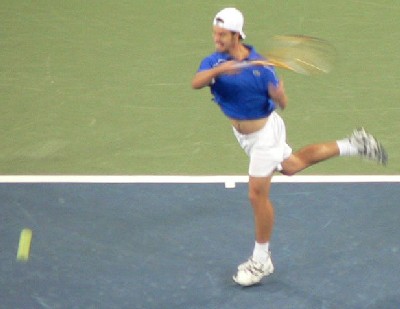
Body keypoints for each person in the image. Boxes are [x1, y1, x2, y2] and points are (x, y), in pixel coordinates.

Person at [191, 7, 388, 287]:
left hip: (265, 136)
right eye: (215, 33)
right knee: (291, 165)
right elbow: (196, 83)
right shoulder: (213, 61)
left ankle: (261, 259)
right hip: (245, 136)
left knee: (256, 195)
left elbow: (282, 104)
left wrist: (279, 93)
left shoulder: (263, 69)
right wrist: (220, 69)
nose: (216, 39)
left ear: (236, 35)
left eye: (222, 34)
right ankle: (355, 144)